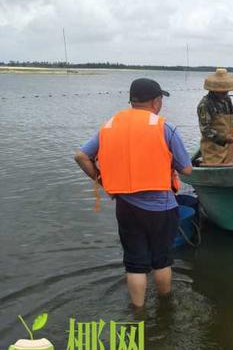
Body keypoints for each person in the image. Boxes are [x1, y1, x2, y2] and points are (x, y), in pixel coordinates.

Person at [74, 78, 193, 308]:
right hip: (162, 207)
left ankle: (137, 313)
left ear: (132, 101)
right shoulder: (164, 127)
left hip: (126, 207)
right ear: (156, 101)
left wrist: (102, 180)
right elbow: (186, 168)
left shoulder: (109, 126)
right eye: (160, 100)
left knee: (135, 264)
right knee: (161, 261)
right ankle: (165, 307)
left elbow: (80, 156)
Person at [197, 68, 233, 164]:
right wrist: (224, 139)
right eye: (222, 91)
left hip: (228, 148)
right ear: (213, 89)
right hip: (212, 151)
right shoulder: (205, 105)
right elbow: (206, 130)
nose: (225, 93)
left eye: (226, 90)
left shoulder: (226, 99)